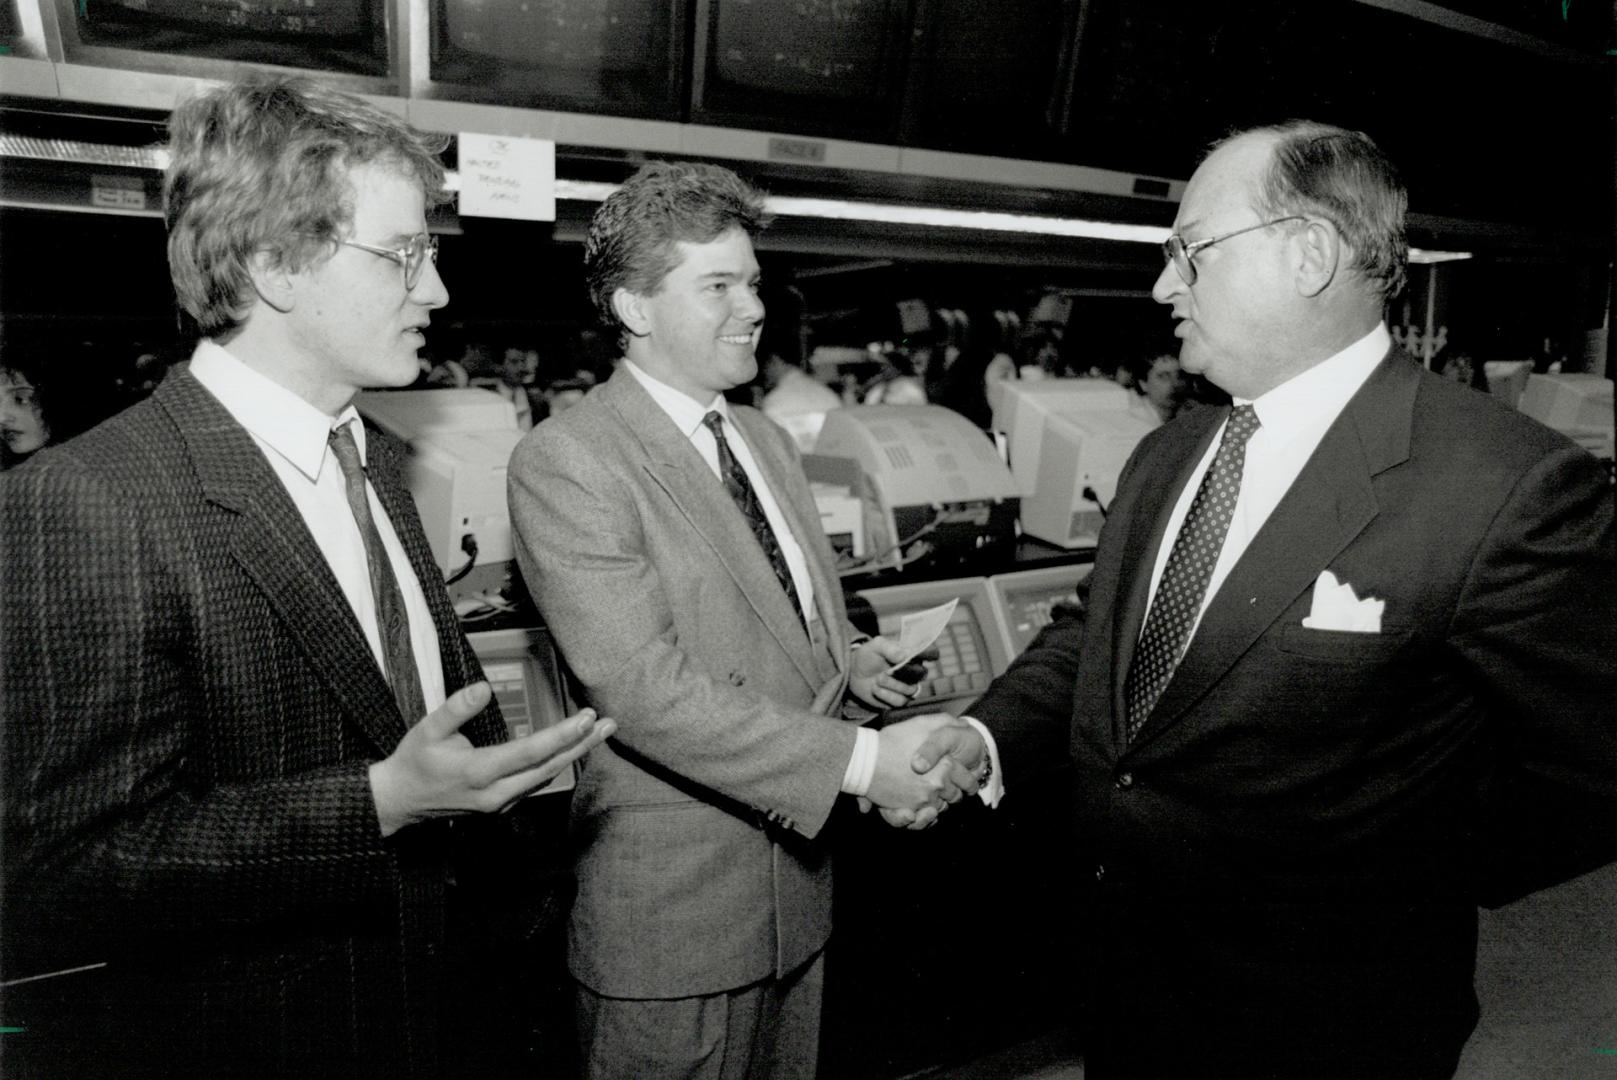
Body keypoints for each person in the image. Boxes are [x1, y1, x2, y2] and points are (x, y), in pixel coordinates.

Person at [913, 120, 1616, 1079]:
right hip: (1125, 986)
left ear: (1309, 254)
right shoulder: (1170, 451)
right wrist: (989, 733)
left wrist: (1411, 873)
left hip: (1328, 1019)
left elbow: (1593, 759)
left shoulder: (1503, 484)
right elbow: (1098, 634)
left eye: (1189, 252)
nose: (1163, 287)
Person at [0, 75, 614, 1080]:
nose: (438, 292)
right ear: (275, 262)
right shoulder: (88, 499)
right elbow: (65, 868)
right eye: (404, 255)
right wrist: (381, 800)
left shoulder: (370, 453)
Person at [506, 160, 987, 1079]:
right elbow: (642, 690)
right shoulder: (570, 459)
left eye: (753, 282)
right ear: (634, 308)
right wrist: (863, 764)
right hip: (675, 915)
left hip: (794, 891)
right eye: (717, 285)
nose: (751, 307)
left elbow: (777, 610)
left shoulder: (762, 439)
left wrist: (848, 658)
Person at [1125, 348, 1188, 424]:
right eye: (1164, 377)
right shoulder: (1134, 421)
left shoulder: (1188, 414)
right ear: (1143, 383)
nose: (1175, 384)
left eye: (1180, 376)